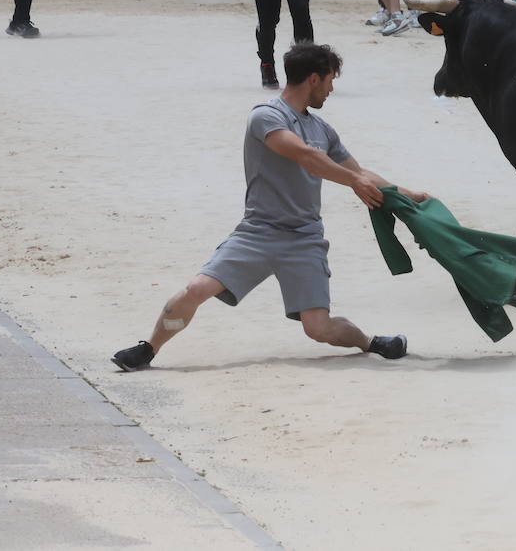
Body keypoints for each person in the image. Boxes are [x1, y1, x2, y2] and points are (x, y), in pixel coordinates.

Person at [110, 42, 417, 372]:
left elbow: (360, 172)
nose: (331, 89)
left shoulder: (322, 129)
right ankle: (148, 349)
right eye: (330, 80)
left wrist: (408, 194)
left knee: (318, 328)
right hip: (257, 233)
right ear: (314, 79)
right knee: (197, 288)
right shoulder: (265, 116)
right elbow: (305, 156)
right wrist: (353, 182)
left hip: (304, 239)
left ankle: (370, 343)